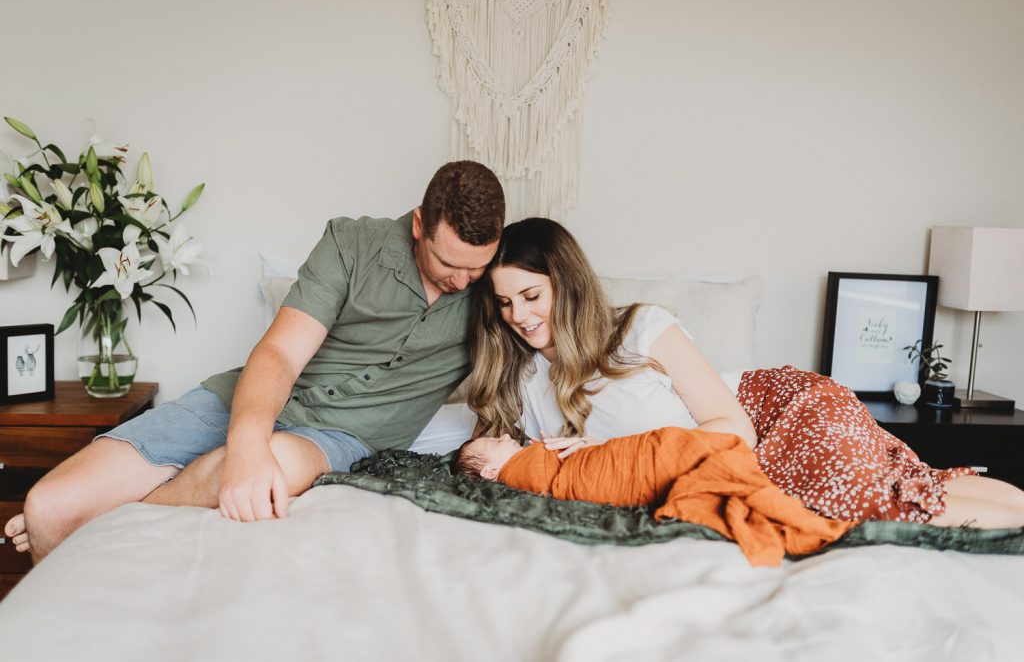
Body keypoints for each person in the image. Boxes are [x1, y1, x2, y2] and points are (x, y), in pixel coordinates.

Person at [5, 160, 506, 561]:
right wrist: (247, 440)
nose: (462, 281)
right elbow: (282, 352)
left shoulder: (500, 289)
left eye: (476, 268)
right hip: (241, 398)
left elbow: (557, 329)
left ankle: (99, 526)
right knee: (47, 508)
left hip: (338, 435)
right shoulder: (352, 243)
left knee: (268, 471)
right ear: (419, 225)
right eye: (448, 264)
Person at [466, 217, 1024, 528]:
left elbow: (734, 429)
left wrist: (609, 454)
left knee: (865, 504)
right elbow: (487, 452)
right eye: (505, 303)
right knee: (898, 490)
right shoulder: (521, 379)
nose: (519, 316)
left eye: (531, 295)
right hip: (721, 469)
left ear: (566, 281)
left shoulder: (638, 328)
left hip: (772, 413)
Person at [450, 428, 853, 567]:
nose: (506, 436)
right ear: (489, 472)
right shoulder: (520, 470)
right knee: (683, 458)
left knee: (677, 446)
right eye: (494, 441)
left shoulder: (527, 457)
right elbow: (554, 481)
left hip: (630, 451)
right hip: (621, 471)